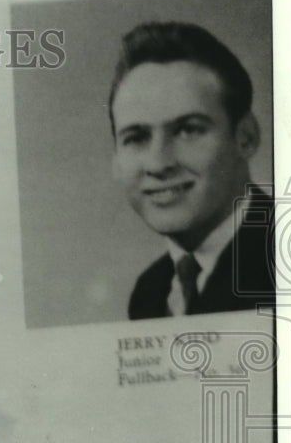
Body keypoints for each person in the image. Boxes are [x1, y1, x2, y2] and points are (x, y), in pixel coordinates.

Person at [108, 22, 275, 319]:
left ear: (246, 137)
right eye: (136, 137)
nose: (159, 164)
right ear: (116, 159)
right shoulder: (150, 291)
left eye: (188, 130)